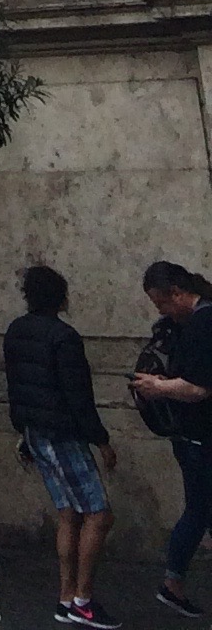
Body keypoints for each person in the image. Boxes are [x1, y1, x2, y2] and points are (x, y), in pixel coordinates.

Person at [3, 262, 117, 625]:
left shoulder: (16, 331)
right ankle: (83, 600)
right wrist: (102, 441)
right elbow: (79, 397)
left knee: (68, 513)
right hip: (63, 435)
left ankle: (66, 596)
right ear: (61, 297)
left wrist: (23, 431)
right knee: (98, 514)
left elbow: (15, 386)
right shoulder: (64, 337)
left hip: (35, 432)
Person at [131, 261, 212, 615]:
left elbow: (198, 389)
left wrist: (158, 387)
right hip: (197, 436)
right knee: (201, 509)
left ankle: (172, 582)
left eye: (161, 303)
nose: (161, 312)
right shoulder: (198, 319)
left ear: (177, 294)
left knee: (197, 511)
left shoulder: (202, 323)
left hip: (198, 436)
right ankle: (172, 583)